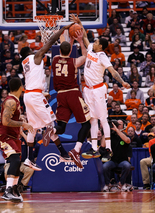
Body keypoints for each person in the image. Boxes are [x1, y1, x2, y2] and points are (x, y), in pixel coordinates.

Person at [70, 14, 130, 162]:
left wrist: (122, 82)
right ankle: (95, 148)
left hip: (98, 89)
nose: (94, 42)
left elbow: (113, 72)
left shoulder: (103, 56)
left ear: (100, 46)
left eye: (96, 41)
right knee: (92, 120)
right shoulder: (90, 49)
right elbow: (84, 36)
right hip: (88, 90)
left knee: (103, 119)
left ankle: (108, 148)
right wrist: (79, 23)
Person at [20, 23, 73, 173]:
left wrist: (41, 92)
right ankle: (61, 152)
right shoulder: (34, 57)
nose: (35, 50)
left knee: (33, 128)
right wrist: (61, 31)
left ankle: (29, 158)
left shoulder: (24, 63)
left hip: (29, 95)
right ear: (29, 53)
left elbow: (32, 81)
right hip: (35, 96)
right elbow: (48, 44)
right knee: (50, 123)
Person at [43, 30, 90, 168]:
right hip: (73, 94)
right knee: (86, 124)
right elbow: (85, 55)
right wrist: (80, 41)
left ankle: (52, 131)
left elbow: (65, 51)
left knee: (61, 127)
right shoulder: (74, 62)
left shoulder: (55, 59)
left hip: (61, 96)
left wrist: (68, 40)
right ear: (70, 50)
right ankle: (76, 150)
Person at [0, 77, 33, 202]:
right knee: (14, 160)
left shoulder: (15, 101)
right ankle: (8, 191)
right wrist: (23, 124)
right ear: (20, 87)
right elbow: (5, 121)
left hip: (14, 136)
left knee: (17, 163)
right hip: (5, 135)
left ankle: (14, 190)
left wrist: (21, 125)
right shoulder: (10, 101)